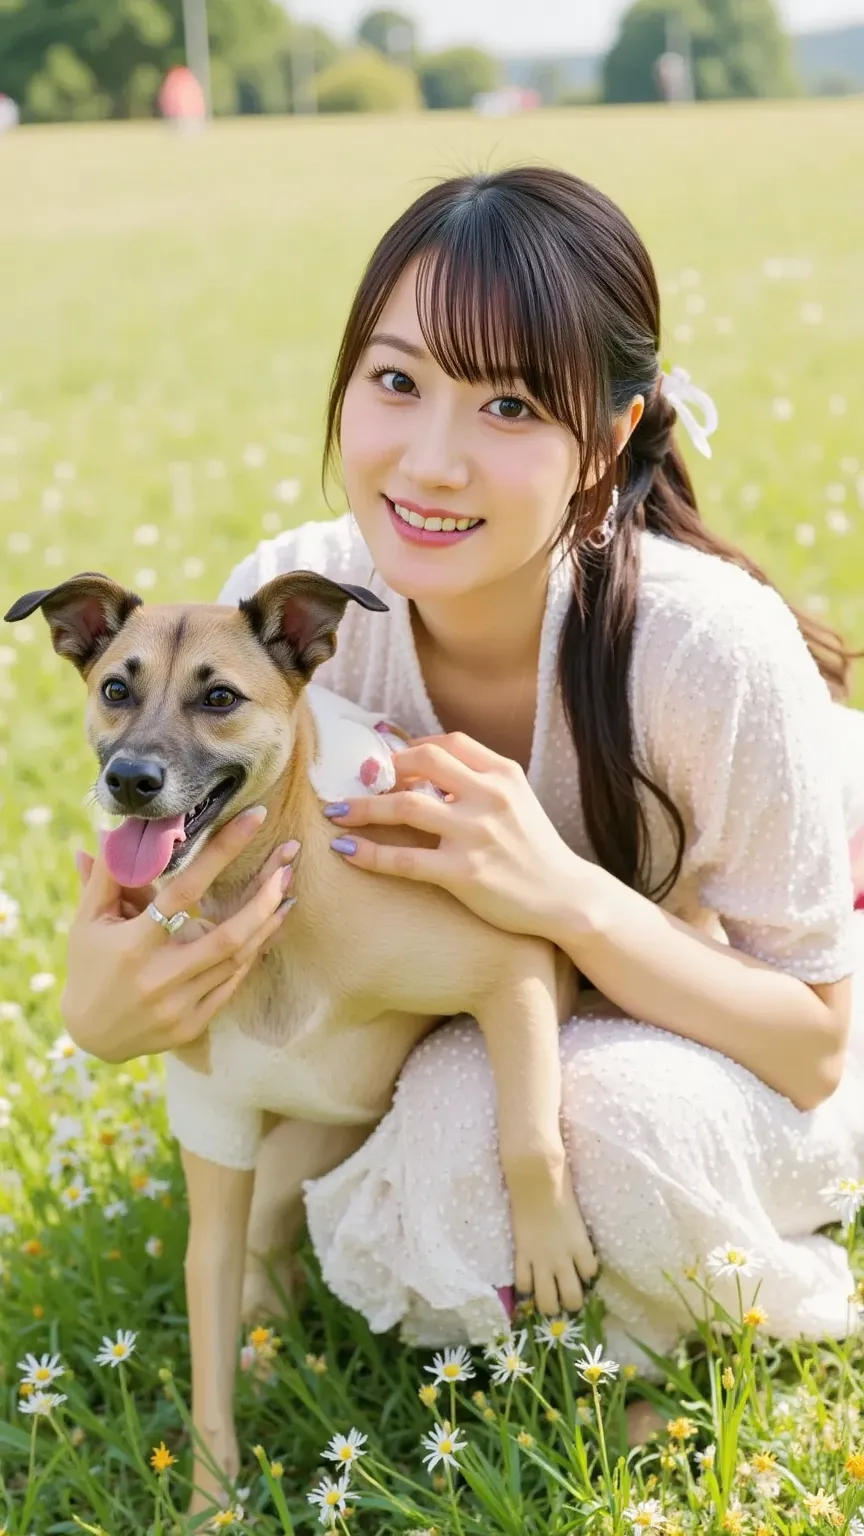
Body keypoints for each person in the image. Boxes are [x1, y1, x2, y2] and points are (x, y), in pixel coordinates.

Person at [66, 166, 864, 1372]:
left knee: (602, 1120)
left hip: (758, 1033)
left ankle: (730, 1321)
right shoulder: (303, 605)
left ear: (612, 439)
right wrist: (108, 1000)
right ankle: (566, 1324)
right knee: (455, 1118)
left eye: (508, 408)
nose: (431, 462)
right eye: (397, 382)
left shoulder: (707, 648)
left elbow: (811, 1044)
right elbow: (240, 899)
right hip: (512, 1027)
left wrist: (561, 892)